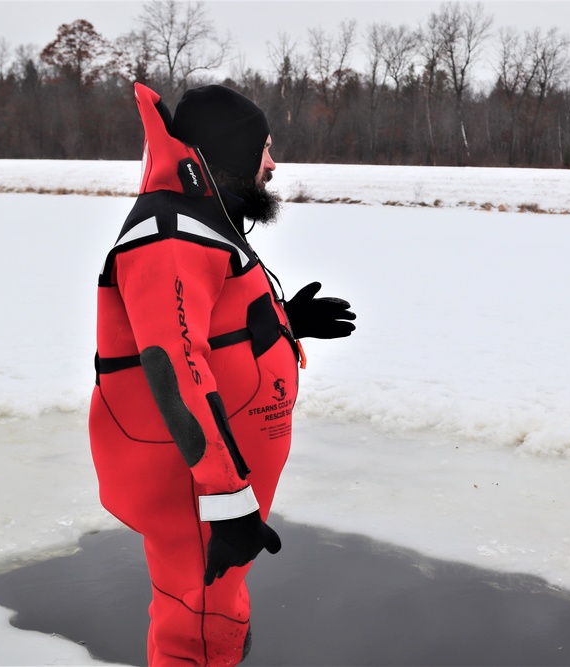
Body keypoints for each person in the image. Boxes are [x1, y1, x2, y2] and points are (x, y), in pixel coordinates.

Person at [89, 82, 355, 666]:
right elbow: (173, 368)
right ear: (233, 155)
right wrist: (227, 498)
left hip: (212, 482)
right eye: (264, 147)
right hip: (196, 483)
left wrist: (285, 323)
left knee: (211, 611)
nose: (273, 161)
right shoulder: (170, 233)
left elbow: (203, 328)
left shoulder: (197, 222)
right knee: (200, 624)